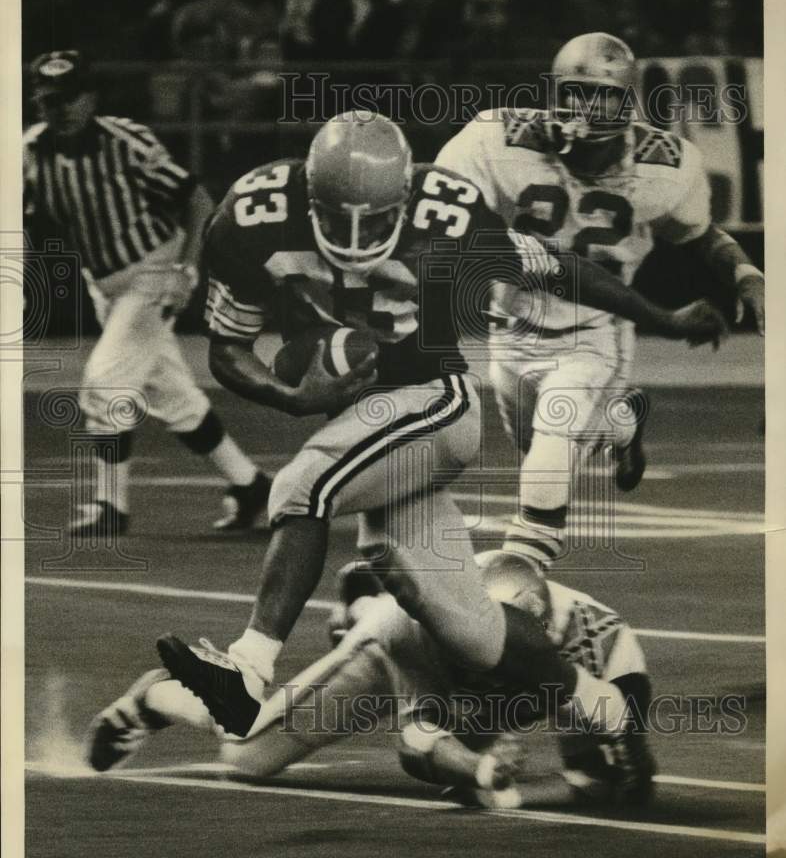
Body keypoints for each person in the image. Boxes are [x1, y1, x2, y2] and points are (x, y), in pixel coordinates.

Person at [150, 111, 724, 741]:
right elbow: (226, 348)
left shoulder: (446, 212)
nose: (356, 234)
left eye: (374, 219)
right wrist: (290, 397)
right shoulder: (251, 216)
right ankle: (606, 710)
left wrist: (663, 319)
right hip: (372, 433)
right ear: (309, 197)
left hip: (434, 401)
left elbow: (560, 269)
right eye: (338, 217)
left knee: (301, 488)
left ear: (402, 200)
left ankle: (250, 671)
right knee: (475, 633)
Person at [435, 31, 765, 573]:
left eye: (599, 94)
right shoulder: (496, 139)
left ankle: (521, 576)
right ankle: (623, 421)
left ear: (625, 100)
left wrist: (747, 275)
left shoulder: (666, 161)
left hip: (597, 328)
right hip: (512, 325)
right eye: (571, 92)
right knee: (536, 440)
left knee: (552, 446)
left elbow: (699, 234)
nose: (581, 107)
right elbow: (443, 210)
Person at [88, 551, 655, 809]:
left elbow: (606, 781)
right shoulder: (425, 630)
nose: (494, 655)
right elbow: (416, 745)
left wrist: (511, 795)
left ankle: (356, 600)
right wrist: (484, 770)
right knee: (246, 757)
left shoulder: (605, 649)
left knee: (609, 787)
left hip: (487, 693)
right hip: (394, 655)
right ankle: (157, 695)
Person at [23, 50, 271, 537]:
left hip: (153, 270)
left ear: (90, 98)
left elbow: (196, 200)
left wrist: (186, 269)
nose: (59, 110)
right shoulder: (31, 151)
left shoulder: (125, 142)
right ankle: (250, 485)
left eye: (69, 99)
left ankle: (111, 506)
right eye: (49, 100)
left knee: (107, 381)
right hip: (107, 285)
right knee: (175, 398)